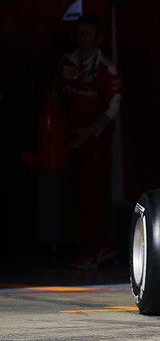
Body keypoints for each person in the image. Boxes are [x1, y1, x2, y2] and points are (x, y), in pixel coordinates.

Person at [50, 14, 122, 269]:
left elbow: (114, 107)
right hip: (72, 138)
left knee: (91, 195)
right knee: (78, 194)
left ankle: (92, 251)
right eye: (80, 33)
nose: (83, 38)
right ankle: (103, 245)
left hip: (96, 140)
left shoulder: (105, 69)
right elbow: (56, 97)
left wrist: (88, 132)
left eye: (89, 34)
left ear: (98, 38)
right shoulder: (65, 63)